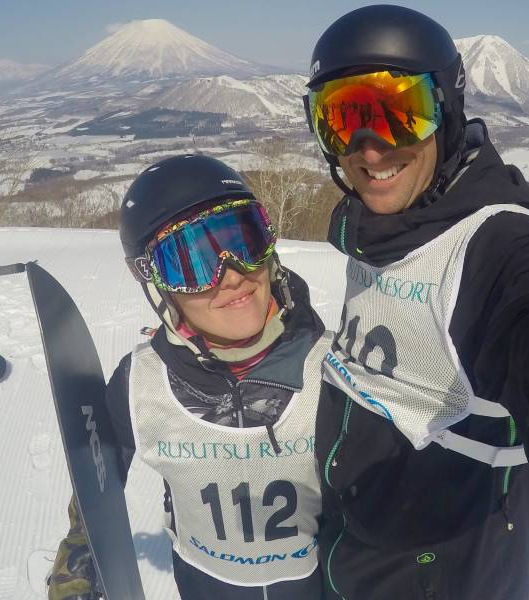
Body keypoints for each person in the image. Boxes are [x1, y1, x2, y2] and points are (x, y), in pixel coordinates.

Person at [302, 5, 529, 599]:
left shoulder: (496, 247)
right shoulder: (387, 230)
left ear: (448, 112)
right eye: (342, 120)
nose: (369, 150)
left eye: (398, 116)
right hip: (351, 557)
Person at [48, 154, 332, 599]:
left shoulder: (331, 371)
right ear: (156, 283)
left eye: (245, 240)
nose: (233, 275)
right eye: (192, 263)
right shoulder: (140, 387)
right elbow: (99, 478)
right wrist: (79, 561)